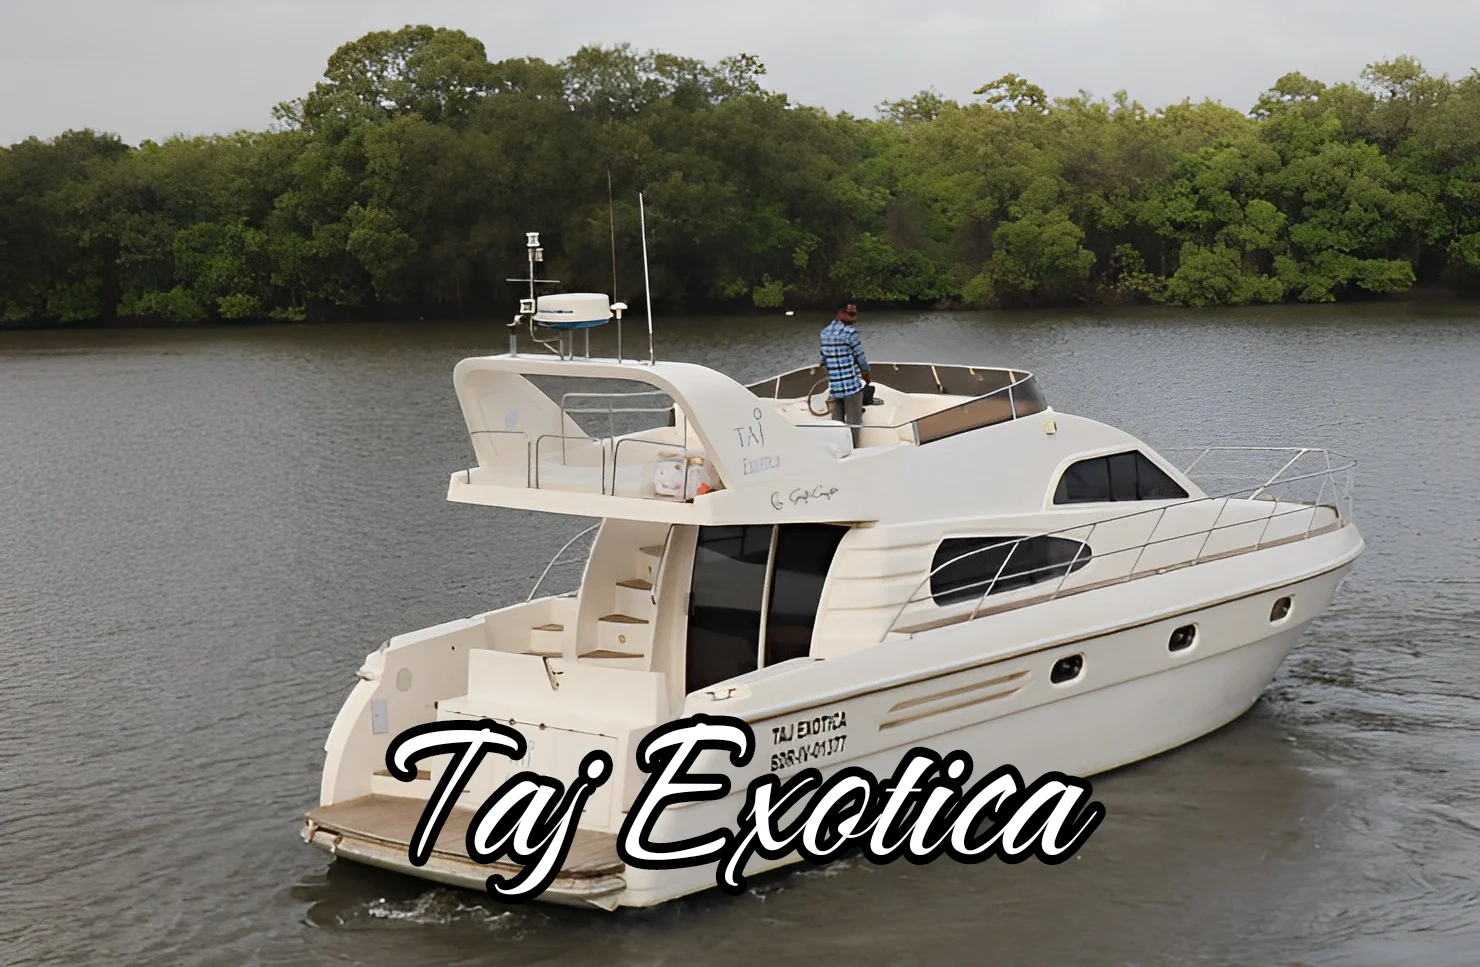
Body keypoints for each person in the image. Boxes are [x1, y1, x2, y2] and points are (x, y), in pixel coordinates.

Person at [819, 302, 870, 445]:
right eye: (851, 314)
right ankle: (853, 449)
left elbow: (823, 362)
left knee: (837, 424)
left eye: (855, 314)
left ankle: (838, 448)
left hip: (835, 388)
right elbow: (861, 359)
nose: (854, 318)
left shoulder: (824, 333)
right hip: (852, 387)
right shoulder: (850, 333)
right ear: (840, 312)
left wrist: (835, 374)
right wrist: (866, 375)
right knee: (854, 423)